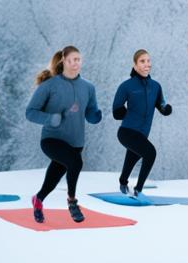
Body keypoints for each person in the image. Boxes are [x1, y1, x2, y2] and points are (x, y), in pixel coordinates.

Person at [24, 46, 101, 223]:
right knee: (76, 162)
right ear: (63, 62)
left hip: (75, 142)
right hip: (52, 139)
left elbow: (90, 113)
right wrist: (52, 119)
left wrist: (95, 116)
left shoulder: (88, 87)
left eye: (78, 59)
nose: (75, 63)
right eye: (71, 60)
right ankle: (72, 202)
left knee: (54, 176)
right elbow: (30, 112)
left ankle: (38, 199)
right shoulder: (49, 86)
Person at [112, 49, 171, 199]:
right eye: (142, 61)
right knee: (150, 153)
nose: (147, 64)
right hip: (127, 131)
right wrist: (122, 112)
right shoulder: (126, 86)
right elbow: (116, 110)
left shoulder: (156, 86)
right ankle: (138, 190)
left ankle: (122, 181)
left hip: (142, 134)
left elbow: (161, 105)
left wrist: (166, 109)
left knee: (133, 156)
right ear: (135, 65)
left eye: (148, 61)